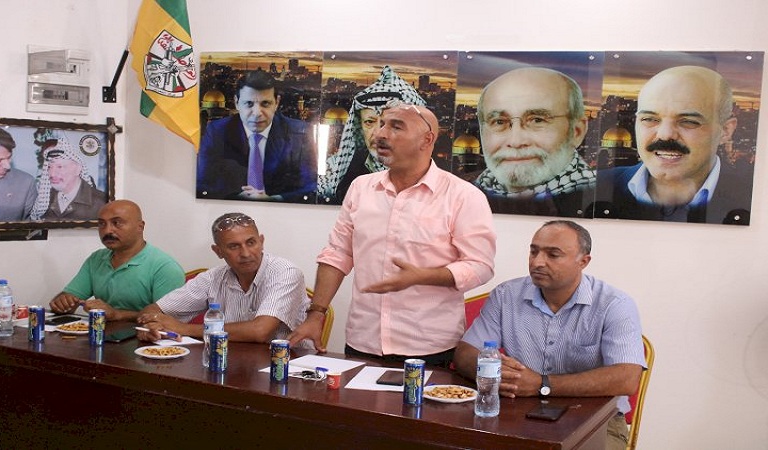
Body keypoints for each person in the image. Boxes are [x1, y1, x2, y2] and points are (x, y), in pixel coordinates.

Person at [289, 100, 497, 367]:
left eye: (396, 127)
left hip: (430, 346)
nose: (380, 134)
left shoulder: (463, 196)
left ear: (427, 140)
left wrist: (423, 277)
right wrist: (316, 314)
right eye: (381, 124)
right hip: (363, 340)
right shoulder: (361, 188)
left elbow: (480, 266)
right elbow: (337, 254)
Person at [453, 220, 645, 450]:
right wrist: (495, 372)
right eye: (534, 251)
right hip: (515, 416)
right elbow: (465, 353)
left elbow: (626, 378)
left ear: (583, 261)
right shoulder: (506, 295)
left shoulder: (614, 304)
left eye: (553, 255)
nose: (537, 262)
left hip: (597, 423)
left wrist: (541, 384)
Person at [595, 65, 750, 225]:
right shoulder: (591, 187)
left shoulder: (752, 196)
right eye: (649, 119)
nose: (665, 134)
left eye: (688, 121)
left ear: (725, 131)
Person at [136, 212, 310, 345]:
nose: (245, 253)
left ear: (261, 241)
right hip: (230, 360)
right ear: (218, 251)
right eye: (234, 246)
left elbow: (260, 331)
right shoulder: (213, 277)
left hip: (287, 365)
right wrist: (150, 326)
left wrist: (183, 328)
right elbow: (153, 310)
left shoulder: (286, 272)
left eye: (251, 242)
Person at [471, 67, 595, 217]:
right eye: (499, 122)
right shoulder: (467, 195)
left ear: (577, 131)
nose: (516, 141)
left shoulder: (596, 198)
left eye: (537, 120)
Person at [48, 199, 185, 321]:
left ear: (140, 227)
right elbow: (71, 297)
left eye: (117, 223)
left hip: (144, 339)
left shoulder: (165, 268)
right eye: (102, 224)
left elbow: (167, 320)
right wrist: (63, 302)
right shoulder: (96, 259)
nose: (107, 230)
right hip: (101, 335)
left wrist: (118, 314)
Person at [196, 69, 317, 203]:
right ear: (236, 103)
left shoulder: (300, 133)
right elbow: (203, 184)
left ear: (277, 103)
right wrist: (236, 198)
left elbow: (311, 187)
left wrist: (274, 199)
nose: (257, 113)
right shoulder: (217, 132)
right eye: (249, 104)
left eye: (265, 103)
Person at [317, 65, 427, 204]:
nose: (378, 134)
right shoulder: (334, 170)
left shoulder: (429, 178)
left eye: (392, 124)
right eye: (369, 122)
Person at [30, 138, 107, 221]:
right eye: (49, 167)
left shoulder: (102, 203)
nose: (52, 174)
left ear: (77, 169)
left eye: (60, 167)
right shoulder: (44, 200)